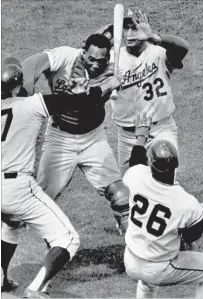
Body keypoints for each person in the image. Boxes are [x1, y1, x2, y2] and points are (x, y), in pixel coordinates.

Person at [1, 57, 120, 297]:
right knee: (68, 239)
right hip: (18, 188)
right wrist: (109, 85)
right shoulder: (33, 104)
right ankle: (36, 290)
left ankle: (1, 279)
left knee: (10, 224)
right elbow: (80, 101)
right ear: (18, 85)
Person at [19, 33, 129, 234]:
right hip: (60, 139)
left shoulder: (114, 71)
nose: (96, 65)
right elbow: (32, 63)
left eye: (101, 61)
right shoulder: (66, 57)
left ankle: (137, 250)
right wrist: (25, 91)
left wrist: (112, 82)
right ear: (83, 51)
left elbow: (93, 98)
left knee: (121, 195)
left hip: (93, 139)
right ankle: (55, 244)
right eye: (91, 59)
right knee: (38, 201)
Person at [122, 112, 203, 298]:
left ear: (151, 164)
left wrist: (141, 135)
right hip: (159, 267)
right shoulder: (185, 202)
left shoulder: (137, 177)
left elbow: (135, 160)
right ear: (176, 165)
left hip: (131, 261)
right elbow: (191, 236)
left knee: (147, 282)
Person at [96, 9, 189, 176]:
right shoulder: (111, 59)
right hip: (127, 136)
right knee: (130, 187)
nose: (130, 33)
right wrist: (103, 37)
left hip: (160, 129)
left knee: (166, 180)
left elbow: (183, 48)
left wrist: (157, 38)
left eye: (136, 27)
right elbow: (84, 58)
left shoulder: (159, 53)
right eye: (126, 28)